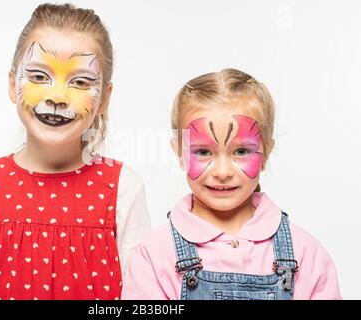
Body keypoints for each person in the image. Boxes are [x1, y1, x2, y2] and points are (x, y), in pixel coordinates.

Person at [0, 3, 151, 300]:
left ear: (105, 98)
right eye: (39, 77)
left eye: (80, 82)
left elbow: (142, 298)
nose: (57, 97)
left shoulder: (123, 188)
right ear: (11, 84)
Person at [122, 68, 341, 300]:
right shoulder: (155, 256)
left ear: (266, 151)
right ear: (179, 152)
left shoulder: (305, 254)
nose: (223, 172)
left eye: (241, 151)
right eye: (204, 151)